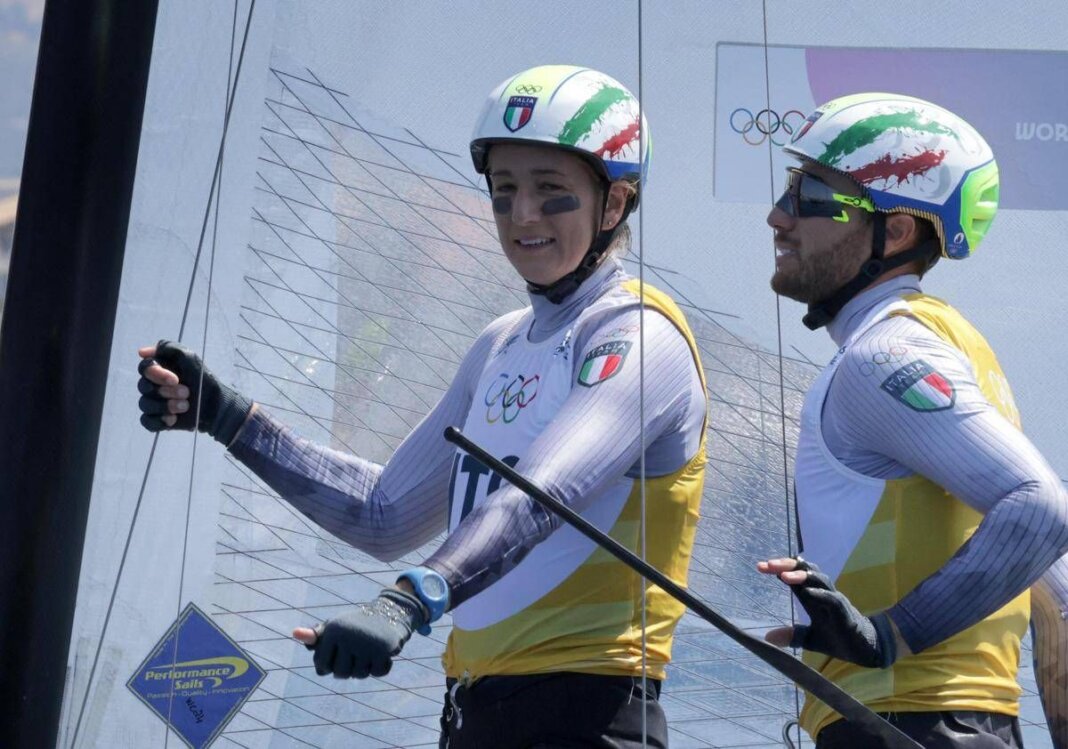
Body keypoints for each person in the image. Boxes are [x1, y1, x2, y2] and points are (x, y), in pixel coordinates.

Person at [137, 64, 708, 749]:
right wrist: (229, 420)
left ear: (613, 204)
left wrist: (407, 600)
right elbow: (385, 513)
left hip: (590, 716)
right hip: (475, 713)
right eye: (504, 190)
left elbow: (543, 494)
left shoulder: (640, 335)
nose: (523, 214)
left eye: (550, 190)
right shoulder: (500, 343)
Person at [757, 91, 1068, 748]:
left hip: (908, 720)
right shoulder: (948, 342)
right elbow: (1054, 584)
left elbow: (1041, 509)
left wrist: (891, 634)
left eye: (812, 196)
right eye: (789, 189)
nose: (778, 216)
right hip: (954, 724)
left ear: (895, 232)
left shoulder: (886, 354)